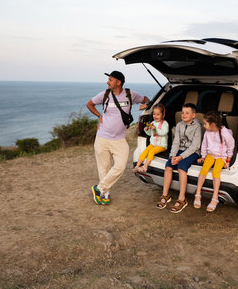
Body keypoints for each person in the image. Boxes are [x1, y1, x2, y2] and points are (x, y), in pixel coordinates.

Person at [86, 71, 149, 205]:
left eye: (110, 80)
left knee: (120, 166)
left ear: (118, 82)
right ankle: (105, 193)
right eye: (108, 80)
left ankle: (99, 188)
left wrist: (147, 105)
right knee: (104, 167)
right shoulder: (104, 95)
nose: (108, 82)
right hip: (102, 137)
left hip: (120, 139)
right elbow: (89, 104)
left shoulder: (129, 94)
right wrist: (99, 116)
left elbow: (146, 99)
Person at [156, 103, 202, 213]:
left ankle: (182, 199)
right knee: (168, 166)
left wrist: (181, 157)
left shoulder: (197, 126)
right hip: (180, 150)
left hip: (193, 152)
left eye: (187, 113)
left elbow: (195, 146)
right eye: (182, 113)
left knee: (181, 167)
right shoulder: (179, 125)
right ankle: (165, 195)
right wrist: (172, 156)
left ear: (193, 115)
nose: (184, 115)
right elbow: (176, 142)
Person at [194, 111, 235, 212]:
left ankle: (215, 198)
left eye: (205, 123)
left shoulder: (225, 133)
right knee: (203, 170)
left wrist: (228, 160)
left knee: (216, 172)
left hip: (222, 156)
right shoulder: (208, 132)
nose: (203, 126)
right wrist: (203, 156)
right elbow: (204, 144)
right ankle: (198, 194)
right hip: (210, 155)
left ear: (212, 124)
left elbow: (231, 145)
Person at [132, 103, 169, 173]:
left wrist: (156, 129)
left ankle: (145, 166)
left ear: (162, 115)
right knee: (145, 151)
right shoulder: (153, 123)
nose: (155, 116)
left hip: (162, 145)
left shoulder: (165, 123)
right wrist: (147, 130)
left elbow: (164, 133)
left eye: (158, 114)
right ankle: (137, 166)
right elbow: (151, 134)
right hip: (153, 144)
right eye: (154, 114)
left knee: (151, 151)